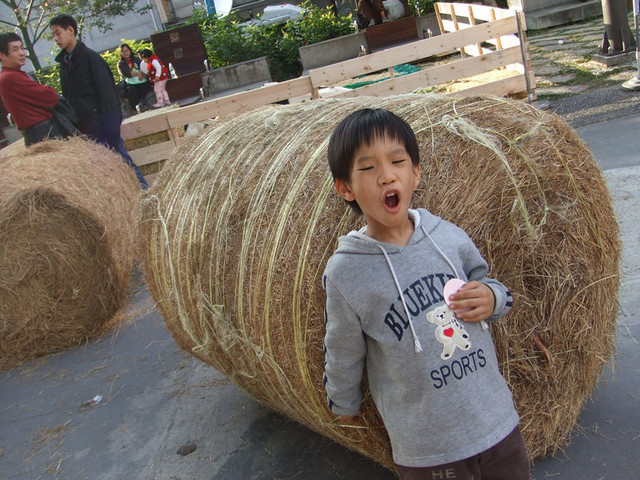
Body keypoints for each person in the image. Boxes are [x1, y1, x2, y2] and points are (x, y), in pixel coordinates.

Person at [322, 108, 530, 480]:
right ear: (346, 188)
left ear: (415, 173)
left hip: (497, 423)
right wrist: (344, 401)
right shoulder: (346, 272)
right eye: (368, 167)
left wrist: (492, 297)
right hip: (427, 448)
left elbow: (489, 285)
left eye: (397, 161)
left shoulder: (447, 236)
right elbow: (342, 348)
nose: (387, 175)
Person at [49, 14, 148, 189]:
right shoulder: (65, 62)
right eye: (53, 35)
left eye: (58, 33)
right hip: (86, 129)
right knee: (107, 176)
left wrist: (111, 129)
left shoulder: (90, 58)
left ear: (70, 30)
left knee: (124, 165)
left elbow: (107, 94)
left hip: (103, 127)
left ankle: (146, 194)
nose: (56, 39)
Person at [0, 32, 72, 146]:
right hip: (42, 132)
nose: (21, 53)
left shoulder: (10, 75)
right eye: (15, 49)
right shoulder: (10, 77)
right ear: (2, 55)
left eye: (22, 48)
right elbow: (50, 96)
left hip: (37, 132)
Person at [117, 43, 152, 114]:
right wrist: (139, 73)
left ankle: (143, 104)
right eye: (123, 51)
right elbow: (128, 74)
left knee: (145, 87)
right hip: (130, 83)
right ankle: (135, 109)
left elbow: (144, 69)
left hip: (142, 81)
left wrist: (141, 73)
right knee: (131, 91)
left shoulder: (137, 59)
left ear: (130, 51)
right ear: (120, 53)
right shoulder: (121, 63)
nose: (125, 53)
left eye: (126, 51)